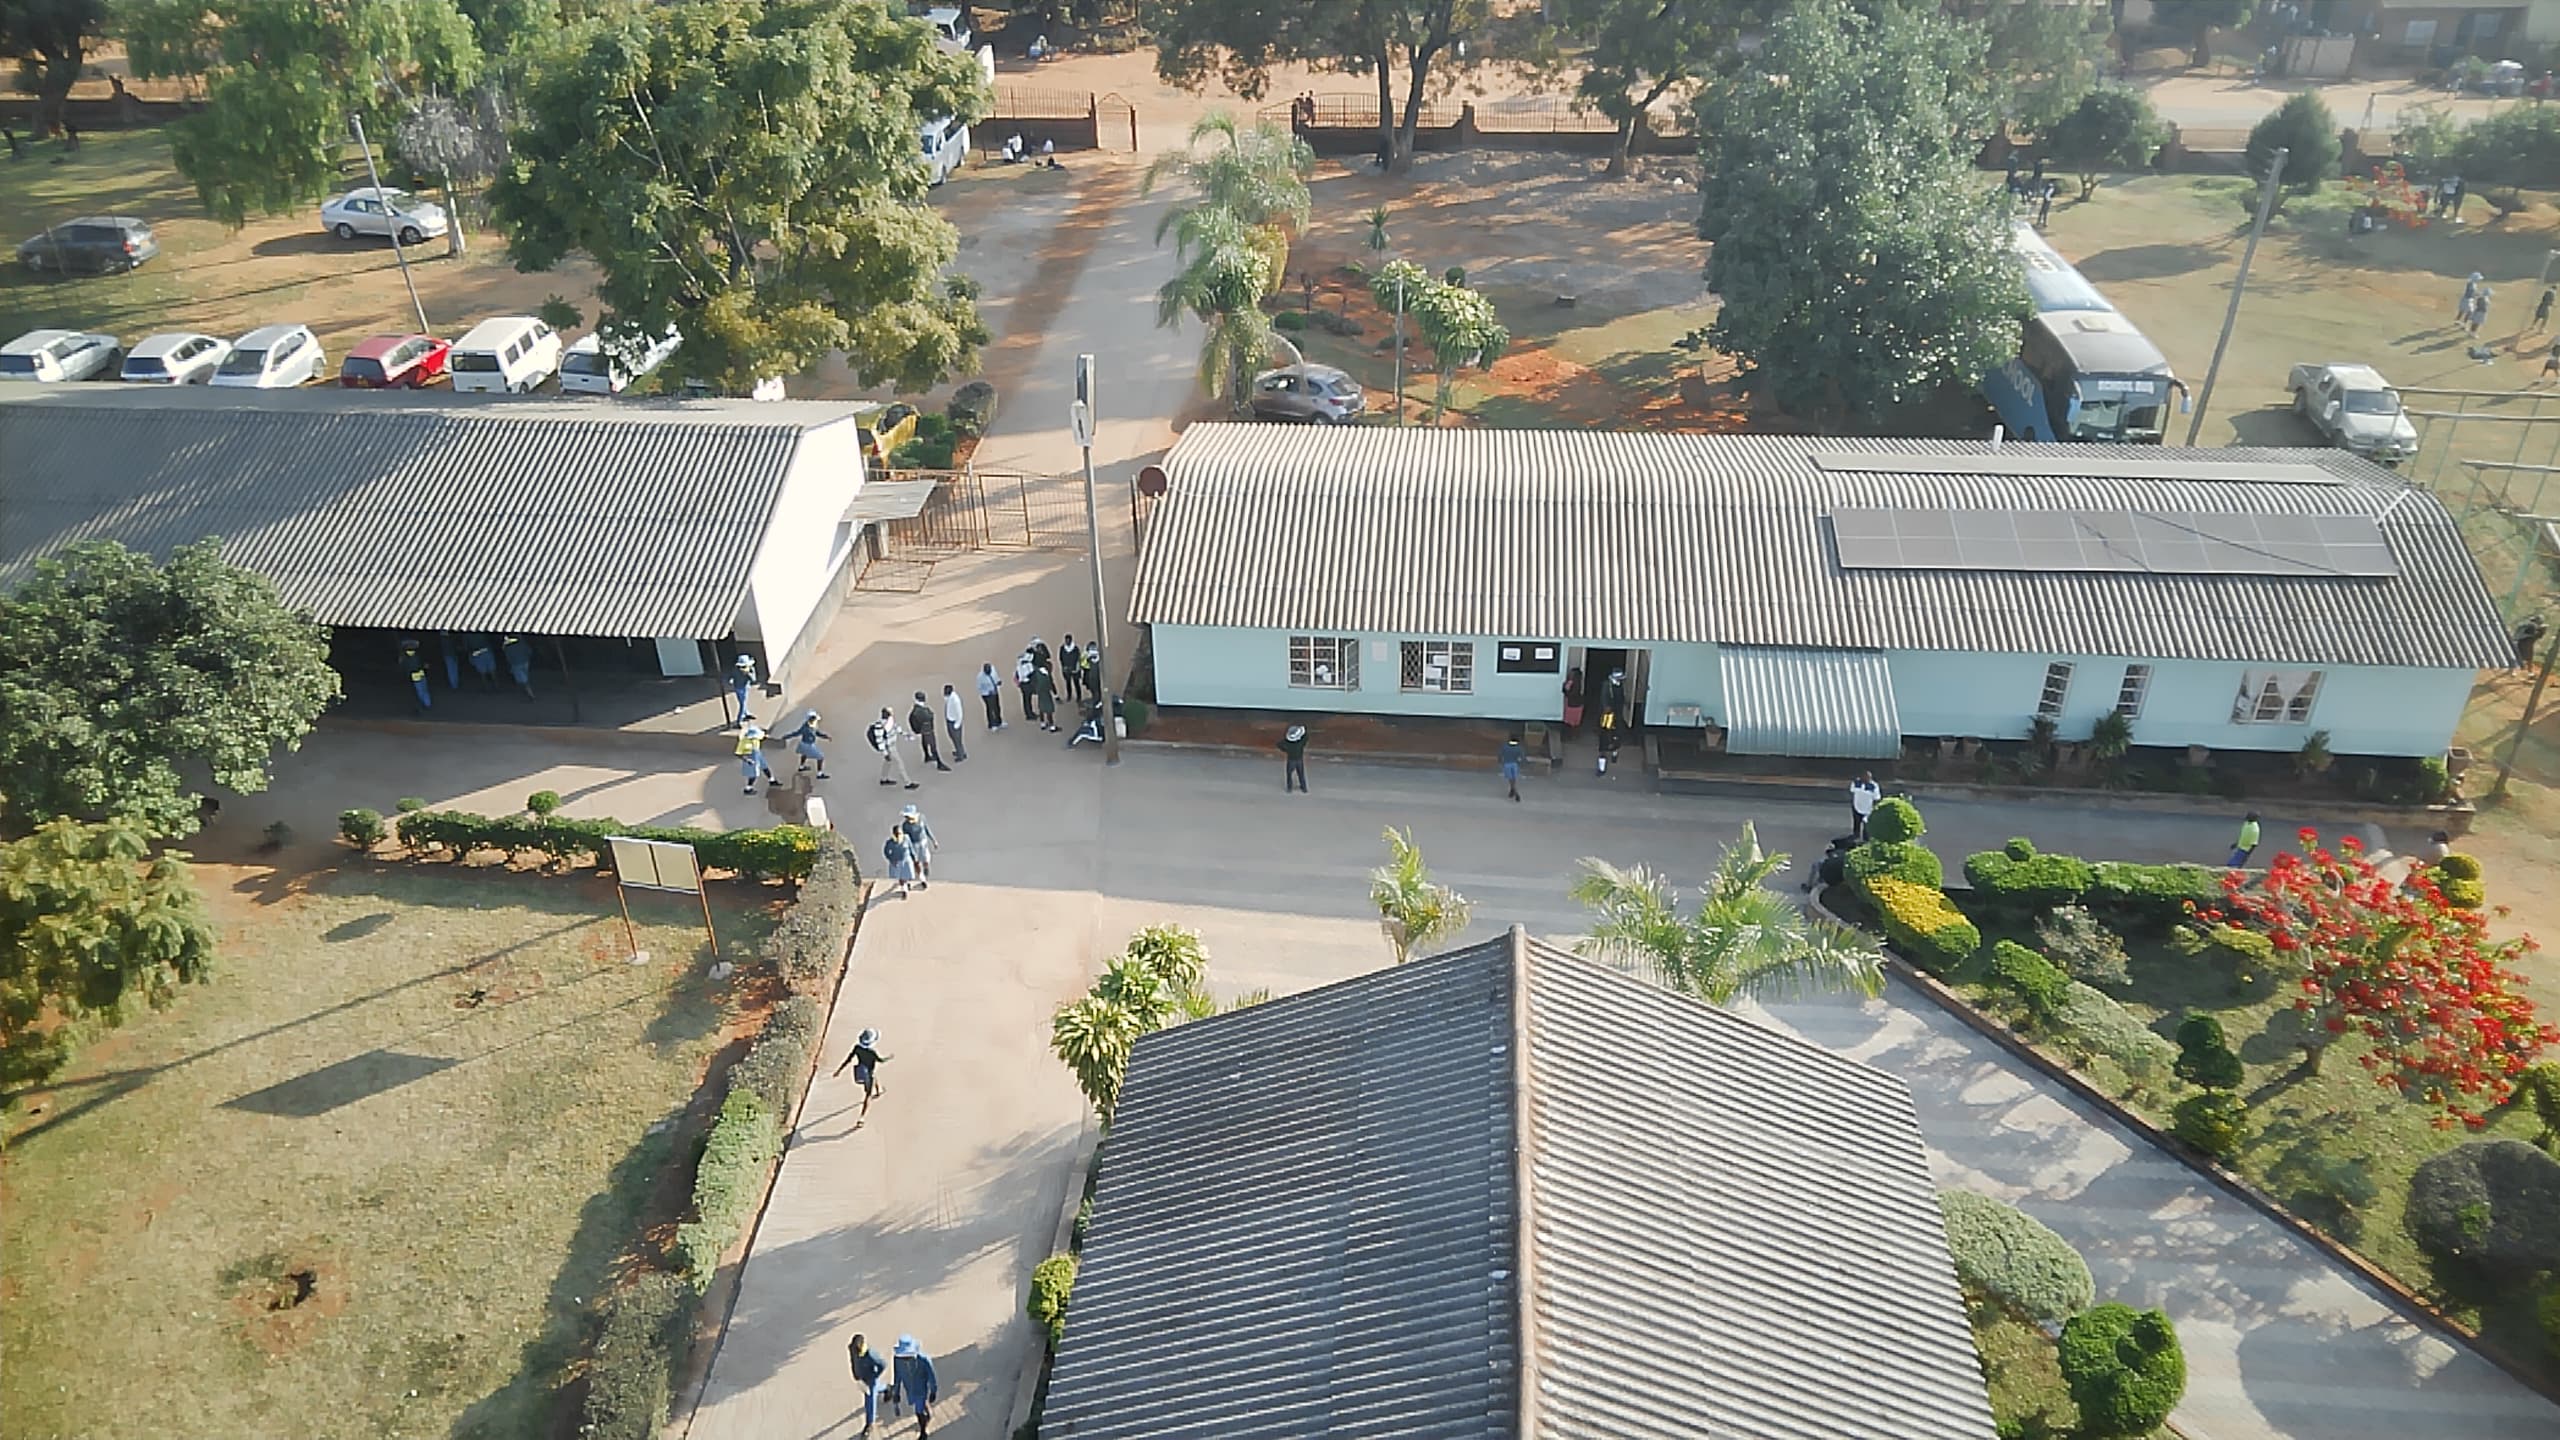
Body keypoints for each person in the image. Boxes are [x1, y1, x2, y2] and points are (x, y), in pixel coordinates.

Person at [892, 1336, 939, 1438]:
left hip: (921, 1389)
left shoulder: (924, 1360)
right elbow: (897, 1376)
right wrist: (896, 1392)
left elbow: (931, 1375)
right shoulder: (897, 1360)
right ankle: (927, 1411)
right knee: (920, 1404)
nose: (906, 1358)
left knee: (918, 1411)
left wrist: (933, 1390)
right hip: (909, 1389)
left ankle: (923, 1431)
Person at [832, 1026, 891, 1108]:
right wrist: (889, 1058)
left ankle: (879, 1091)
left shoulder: (857, 1048)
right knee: (868, 1095)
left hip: (860, 1072)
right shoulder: (872, 1052)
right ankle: (862, 1117)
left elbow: (848, 1060)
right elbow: (881, 1060)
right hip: (869, 1075)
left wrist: (839, 1071)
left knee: (873, 1079)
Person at [849, 1333, 890, 1434]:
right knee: (875, 1390)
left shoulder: (870, 1354)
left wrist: (875, 1376)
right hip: (861, 1378)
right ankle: (887, 1388)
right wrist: (855, 1374)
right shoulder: (852, 1349)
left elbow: (883, 1364)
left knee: (870, 1400)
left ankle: (870, 1423)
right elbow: (852, 1361)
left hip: (871, 1379)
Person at [871, 708, 918, 789]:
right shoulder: (879, 726)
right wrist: (885, 752)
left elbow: (898, 729)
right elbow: (880, 740)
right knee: (899, 763)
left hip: (891, 745)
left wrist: (907, 735)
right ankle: (908, 783)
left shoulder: (890, 722)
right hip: (889, 747)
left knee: (888, 762)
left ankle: (884, 778)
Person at [909, 691, 948, 771]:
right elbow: (929, 716)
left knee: (924, 742)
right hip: (927, 729)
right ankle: (939, 763)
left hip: (922, 730)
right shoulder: (922, 711)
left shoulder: (915, 710)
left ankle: (927, 756)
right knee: (933, 745)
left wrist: (916, 731)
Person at [900, 804, 936, 886]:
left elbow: (926, 829)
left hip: (923, 842)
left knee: (925, 858)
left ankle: (926, 867)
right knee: (916, 861)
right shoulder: (905, 825)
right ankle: (922, 877)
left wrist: (933, 840)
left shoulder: (921, 818)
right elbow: (906, 838)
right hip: (914, 844)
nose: (907, 818)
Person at [735, 725, 777, 795]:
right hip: (750, 757)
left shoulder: (756, 739)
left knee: (765, 767)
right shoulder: (743, 742)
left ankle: (772, 780)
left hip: (758, 754)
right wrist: (747, 760)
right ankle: (748, 788)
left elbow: (763, 736)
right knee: (753, 774)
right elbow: (738, 753)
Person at [789, 710, 831, 779]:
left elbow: (817, 732)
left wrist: (825, 736)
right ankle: (819, 774)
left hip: (804, 744)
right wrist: (786, 737)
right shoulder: (805, 728)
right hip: (807, 745)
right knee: (820, 757)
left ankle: (801, 767)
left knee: (804, 754)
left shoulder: (812, 725)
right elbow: (796, 733)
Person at [399, 637, 432, 714]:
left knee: (419, 692)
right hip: (422, 674)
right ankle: (427, 704)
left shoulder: (404, 657)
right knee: (425, 690)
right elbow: (424, 664)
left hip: (414, 677)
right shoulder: (418, 655)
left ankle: (424, 704)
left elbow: (404, 667)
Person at [881, 824, 916, 897]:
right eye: (896, 834)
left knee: (907, 875)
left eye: (899, 833)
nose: (898, 835)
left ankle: (906, 883)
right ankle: (904, 890)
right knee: (901, 877)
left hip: (906, 860)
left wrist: (914, 856)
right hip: (897, 862)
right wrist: (891, 859)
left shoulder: (906, 838)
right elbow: (886, 852)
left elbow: (910, 847)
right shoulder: (890, 842)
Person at [1849, 772, 1882, 841]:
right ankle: (1856, 836)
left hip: (1867, 809)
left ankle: (1866, 839)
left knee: (1866, 825)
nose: (1866, 779)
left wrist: (1874, 808)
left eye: (1868, 777)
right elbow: (1852, 791)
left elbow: (1877, 798)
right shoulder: (1856, 783)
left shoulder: (1874, 786)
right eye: (1864, 777)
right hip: (1856, 806)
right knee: (1856, 823)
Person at [1278, 722, 1309, 792]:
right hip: (1299, 760)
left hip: (1291, 760)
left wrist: (1285, 750)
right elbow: (1306, 737)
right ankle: (1304, 788)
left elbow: (1279, 744)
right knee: (1301, 774)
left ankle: (1289, 788)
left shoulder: (1288, 743)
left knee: (1289, 775)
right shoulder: (1301, 742)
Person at [942, 683, 969, 762]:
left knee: (957, 739)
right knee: (953, 737)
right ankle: (960, 751)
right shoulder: (950, 698)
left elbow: (959, 713)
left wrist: (957, 724)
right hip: (950, 719)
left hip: (954, 722)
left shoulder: (955, 700)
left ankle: (961, 755)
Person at [1030, 659, 1060, 733]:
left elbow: (1033, 681)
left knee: (1041, 708)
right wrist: (1055, 695)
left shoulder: (1037, 673)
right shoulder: (1046, 675)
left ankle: (1042, 724)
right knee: (1049, 709)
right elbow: (1052, 685)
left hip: (1040, 693)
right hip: (1046, 693)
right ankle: (1052, 726)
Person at [729, 654, 758, 725]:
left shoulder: (750, 669)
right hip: (737, 688)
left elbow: (753, 679)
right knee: (742, 704)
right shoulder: (735, 669)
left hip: (745, 687)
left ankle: (744, 715)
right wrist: (731, 679)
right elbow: (732, 675)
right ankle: (740, 720)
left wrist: (747, 673)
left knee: (743, 703)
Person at [503, 634, 535, 698]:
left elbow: (508, 658)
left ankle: (530, 694)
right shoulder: (522, 644)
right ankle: (527, 693)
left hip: (516, 664)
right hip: (525, 662)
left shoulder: (508, 648)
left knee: (523, 680)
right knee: (524, 678)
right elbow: (530, 652)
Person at [978, 662, 1006, 730]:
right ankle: (991, 724)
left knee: (997, 707)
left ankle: (999, 722)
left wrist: (998, 681)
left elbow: (996, 677)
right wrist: (988, 691)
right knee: (990, 709)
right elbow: (979, 687)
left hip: (995, 691)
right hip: (987, 695)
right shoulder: (980, 677)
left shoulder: (993, 670)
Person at [1498, 733, 1525, 802]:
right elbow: (1522, 757)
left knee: (1510, 781)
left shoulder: (1505, 746)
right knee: (1514, 780)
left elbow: (1500, 755)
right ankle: (1512, 791)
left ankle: (1516, 793)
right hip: (1515, 765)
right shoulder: (1519, 747)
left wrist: (1500, 762)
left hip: (1507, 764)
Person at [1561, 666, 1585, 736]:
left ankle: (1572, 735)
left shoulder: (1576, 683)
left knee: (1572, 722)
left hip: (1574, 704)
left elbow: (1573, 693)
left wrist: (1566, 692)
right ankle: (1572, 735)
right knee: (1571, 722)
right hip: (1572, 703)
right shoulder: (1570, 681)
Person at [1014, 650, 1037, 725]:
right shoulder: (1023, 667)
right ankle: (1029, 714)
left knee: (1027, 699)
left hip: (1024, 684)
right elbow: (1027, 675)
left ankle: (1030, 713)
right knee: (1027, 699)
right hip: (1025, 684)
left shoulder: (1020, 666)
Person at [1060, 633, 1080, 702]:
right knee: (1068, 683)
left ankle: (1079, 696)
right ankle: (1069, 695)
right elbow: (1061, 658)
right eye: (1066, 640)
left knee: (1076, 683)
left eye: (1068, 640)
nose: (1067, 642)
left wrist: (1077, 668)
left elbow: (1078, 659)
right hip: (1067, 669)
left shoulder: (1075, 648)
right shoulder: (1062, 648)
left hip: (1074, 669)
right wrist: (1063, 667)